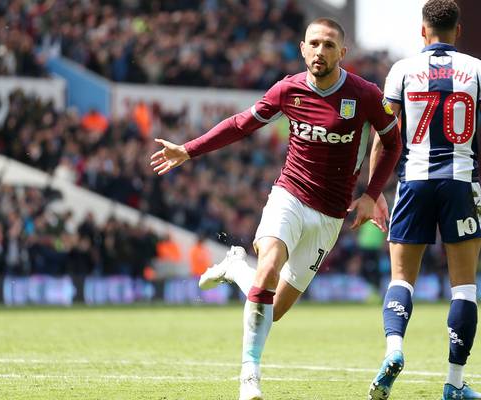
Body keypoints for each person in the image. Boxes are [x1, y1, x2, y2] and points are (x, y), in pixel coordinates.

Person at [150, 18, 402, 400]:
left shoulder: (363, 94)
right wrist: (189, 149)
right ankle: (249, 376)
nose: (320, 51)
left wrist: (372, 193)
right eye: (314, 44)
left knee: (272, 310)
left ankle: (235, 267)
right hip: (289, 195)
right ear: (302, 48)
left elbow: (392, 140)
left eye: (329, 45)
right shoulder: (288, 90)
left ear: (342, 53)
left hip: (330, 215)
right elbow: (240, 124)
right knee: (267, 269)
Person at [367, 1, 481, 399]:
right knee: (464, 287)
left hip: (413, 182)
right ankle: (453, 382)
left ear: (422, 31)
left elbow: (384, 136)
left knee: (402, 279)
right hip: (460, 181)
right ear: (458, 30)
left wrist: (373, 191)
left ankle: (394, 349)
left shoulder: (401, 70)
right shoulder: (477, 70)